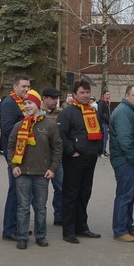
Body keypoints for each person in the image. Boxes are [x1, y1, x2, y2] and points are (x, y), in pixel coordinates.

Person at [6, 89, 61, 249]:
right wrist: (13, 166)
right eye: (25, 103)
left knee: (40, 208)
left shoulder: (49, 125)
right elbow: (10, 147)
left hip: (42, 174)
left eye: (30, 103)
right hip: (22, 173)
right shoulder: (19, 126)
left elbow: (57, 148)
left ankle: (40, 235)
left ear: (37, 104)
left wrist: (53, 168)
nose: (27, 106)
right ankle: (22, 237)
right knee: (23, 207)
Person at [57, 80, 103, 243]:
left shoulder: (92, 111)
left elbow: (99, 131)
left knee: (84, 194)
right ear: (75, 95)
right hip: (74, 159)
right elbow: (61, 134)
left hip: (90, 158)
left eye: (87, 92)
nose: (85, 95)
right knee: (71, 195)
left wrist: (98, 150)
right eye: (82, 92)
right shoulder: (68, 112)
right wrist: (72, 151)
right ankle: (68, 231)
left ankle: (81, 226)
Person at [110, 85, 134, 242]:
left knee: (131, 195)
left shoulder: (131, 111)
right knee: (125, 195)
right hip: (125, 161)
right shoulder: (123, 112)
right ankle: (119, 230)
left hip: (132, 160)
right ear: (127, 96)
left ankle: (128, 225)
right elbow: (124, 139)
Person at [0, 76, 30, 241]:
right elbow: (7, 129)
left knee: (22, 192)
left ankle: (19, 225)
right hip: (14, 154)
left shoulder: (23, 103)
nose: (26, 89)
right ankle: (9, 229)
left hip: (24, 153)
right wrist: (27, 125)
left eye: (28, 86)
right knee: (15, 192)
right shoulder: (10, 103)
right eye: (23, 86)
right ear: (15, 86)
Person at [40, 88, 64, 225]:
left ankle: (59, 216)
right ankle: (39, 217)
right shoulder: (37, 112)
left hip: (57, 158)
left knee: (61, 188)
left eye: (57, 98)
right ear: (44, 98)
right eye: (52, 98)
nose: (55, 101)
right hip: (40, 158)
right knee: (39, 191)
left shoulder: (61, 113)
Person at [97, 91, 111, 156]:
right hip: (103, 123)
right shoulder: (101, 102)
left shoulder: (106, 103)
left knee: (106, 138)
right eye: (107, 94)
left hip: (106, 123)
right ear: (104, 95)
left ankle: (104, 151)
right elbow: (100, 113)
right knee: (104, 138)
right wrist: (107, 117)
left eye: (109, 94)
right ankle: (102, 152)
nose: (109, 95)